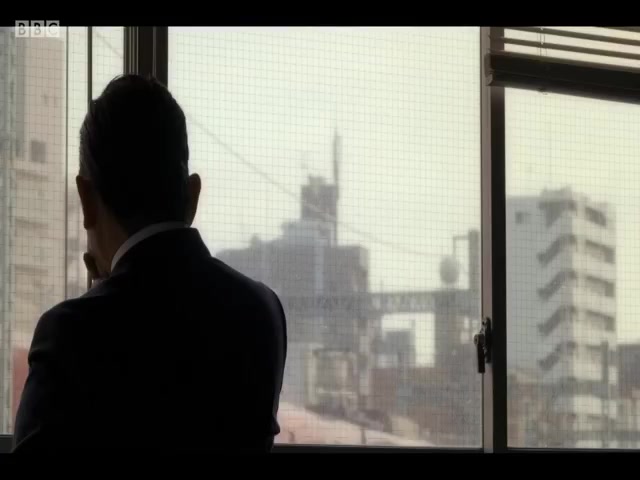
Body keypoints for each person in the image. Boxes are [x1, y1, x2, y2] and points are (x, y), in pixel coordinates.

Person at [13, 74, 287, 452]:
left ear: (86, 200)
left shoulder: (69, 336)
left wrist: (101, 296)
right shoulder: (263, 312)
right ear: (192, 196)